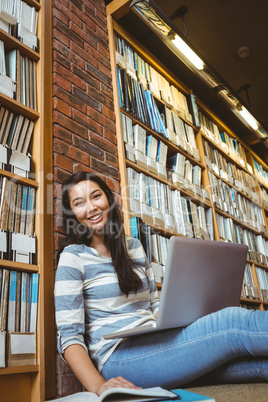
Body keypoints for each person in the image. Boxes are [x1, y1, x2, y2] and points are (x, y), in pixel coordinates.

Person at [54, 171, 268, 396]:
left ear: (108, 198)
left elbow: (154, 304)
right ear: (72, 213)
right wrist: (99, 386)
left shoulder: (133, 246)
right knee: (231, 322)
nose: (91, 208)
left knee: (251, 364)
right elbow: (70, 337)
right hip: (118, 357)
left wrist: (183, 315)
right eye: (79, 203)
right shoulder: (73, 256)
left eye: (96, 196)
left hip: (158, 342)